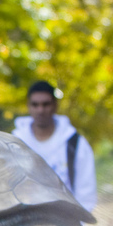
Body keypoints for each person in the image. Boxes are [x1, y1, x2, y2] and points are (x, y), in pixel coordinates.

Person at [13, 81, 98, 212]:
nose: (40, 110)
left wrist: (76, 225)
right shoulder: (14, 142)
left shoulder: (74, 143)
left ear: (55, 105)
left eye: (45, 104)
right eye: (35, 105)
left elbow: (86, 191)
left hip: (66, 221)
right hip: (23, 219)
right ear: (28, 106)